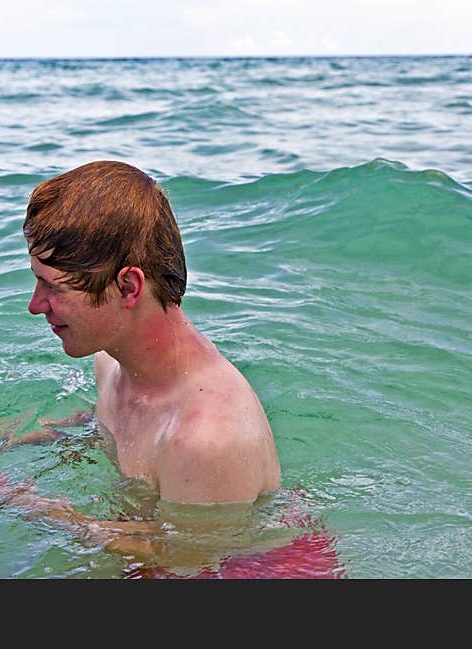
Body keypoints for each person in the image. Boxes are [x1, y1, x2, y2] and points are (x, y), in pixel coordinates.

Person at [23, 160, 281, 505]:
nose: (36, 305)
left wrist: (24, 503)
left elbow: (191, 554)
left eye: (54, 287)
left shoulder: (206, 438)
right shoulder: (110, 364)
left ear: (129, 286)